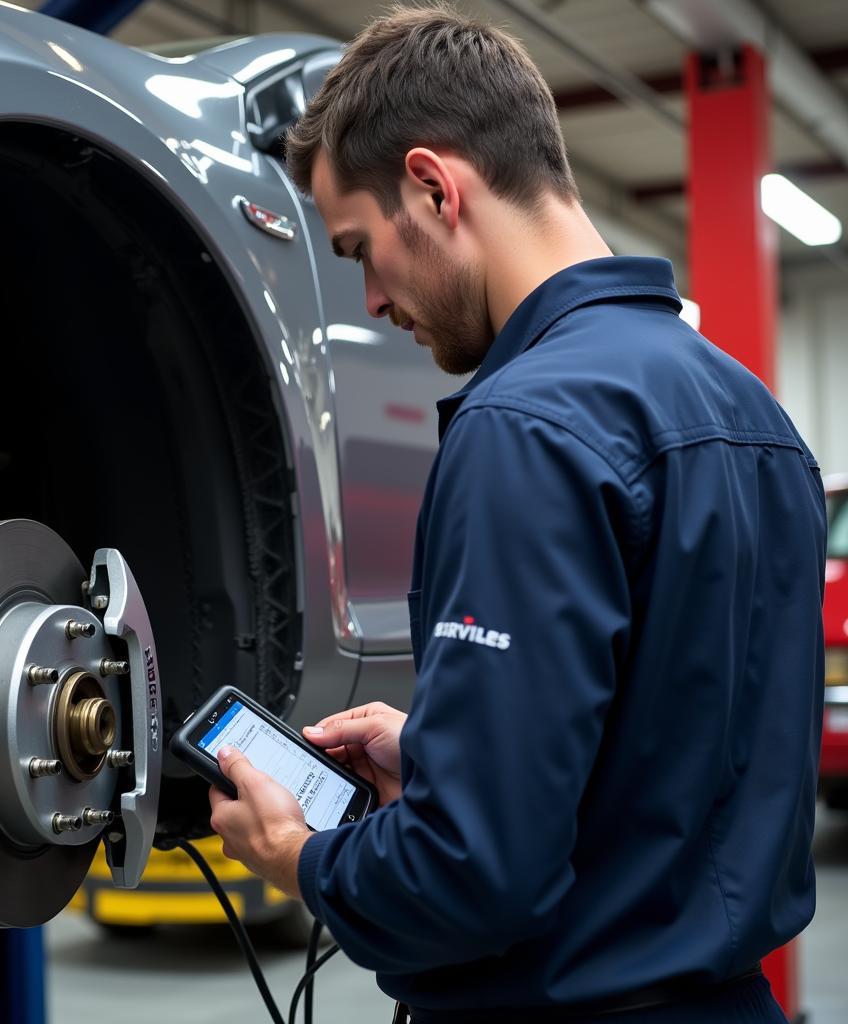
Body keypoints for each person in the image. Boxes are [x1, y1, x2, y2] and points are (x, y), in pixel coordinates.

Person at [207, 6, 826, 1021]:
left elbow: (471, 874)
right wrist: (452, 752)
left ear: (434, 186)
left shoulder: (525, 425)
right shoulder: (754, 414)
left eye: (360, 248)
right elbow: (669, 754)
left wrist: (299, 856)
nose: (368, 298)